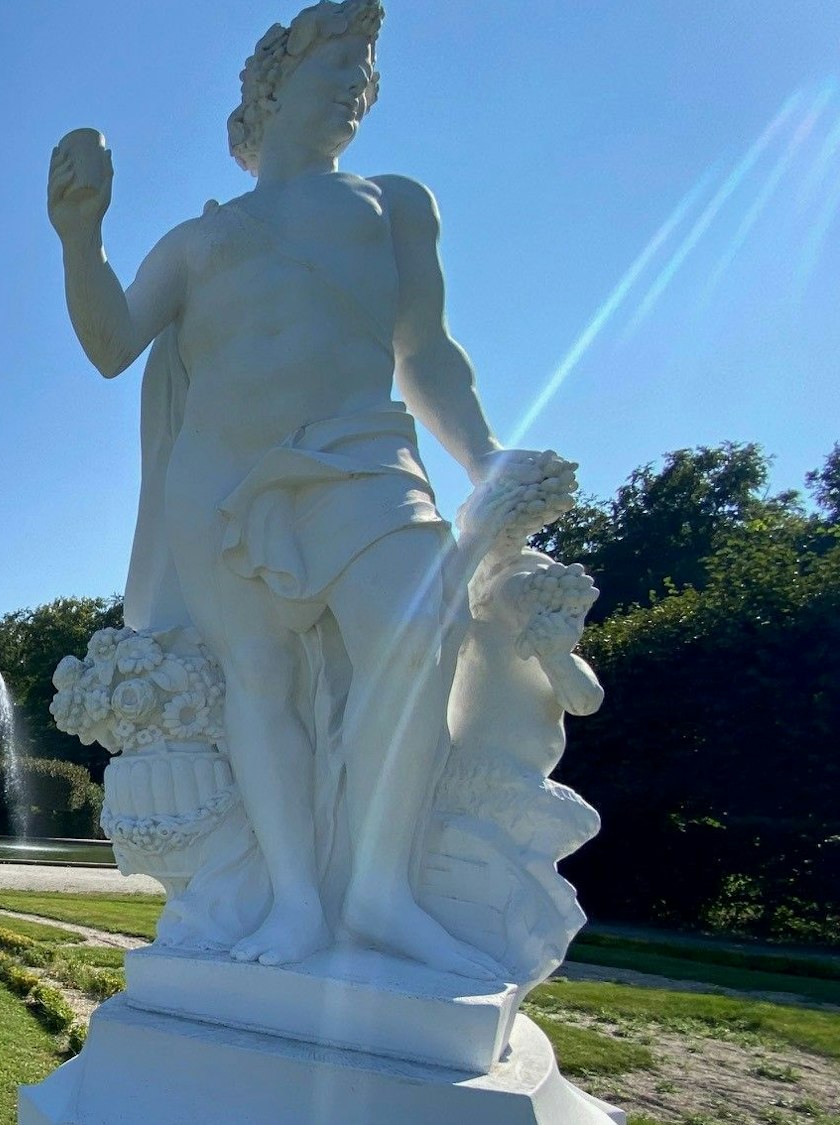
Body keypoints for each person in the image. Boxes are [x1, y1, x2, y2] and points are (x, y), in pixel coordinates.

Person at [46, 0, 566, 979]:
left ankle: (379, 888)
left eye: (363, 79)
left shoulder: (391, 203)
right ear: (272, 88)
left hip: (362, 457)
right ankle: (293, 902)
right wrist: (80, 238)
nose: (353, 92)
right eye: (336, 71)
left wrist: (484, 456)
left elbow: (426, 351)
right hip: (220, 478)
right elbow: (111, 344)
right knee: (259, 678)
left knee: (417, 638)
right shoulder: (198, 241)